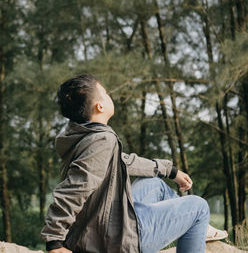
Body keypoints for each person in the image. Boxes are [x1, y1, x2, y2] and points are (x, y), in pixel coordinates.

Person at [40, 74, 227, 253]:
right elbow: (77, 187)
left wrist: (170, 171)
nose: (109, 96)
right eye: (105, 94)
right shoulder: (102, 140)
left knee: (153, 184)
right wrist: (54, 239)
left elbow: (125, 161)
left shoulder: (84, 136)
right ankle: (196, 223)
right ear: (99, 107)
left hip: (104, 226)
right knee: (199, 207)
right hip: (115, 241)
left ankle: (195, 226)